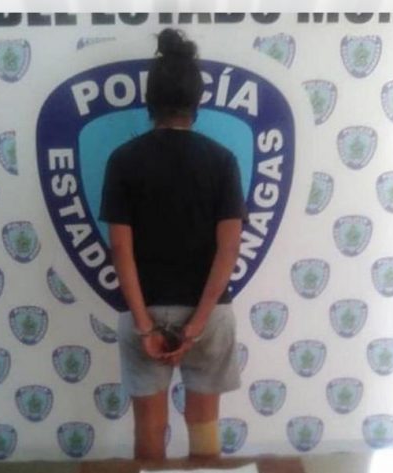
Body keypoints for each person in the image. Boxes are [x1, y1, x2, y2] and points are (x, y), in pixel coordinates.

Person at [98, 28, 247, 462]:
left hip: (144, 311)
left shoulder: (122, 161)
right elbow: (228, 250)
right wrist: (197, 323)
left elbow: (120, 251)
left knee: (149, 425)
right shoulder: (223, 161)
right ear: (197, 102)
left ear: (150, 101)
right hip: (210, 314)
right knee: (204, 421)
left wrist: (145, 326)